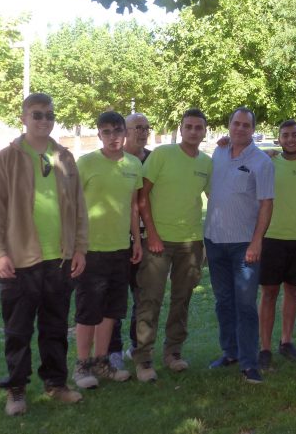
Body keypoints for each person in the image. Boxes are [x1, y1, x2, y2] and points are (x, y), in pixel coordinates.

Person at [0, 93, 87, 415]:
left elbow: (80, 210)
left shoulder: (65, 158)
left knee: (55, 328)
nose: (44, 120)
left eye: (49, 115)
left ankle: (56, 383)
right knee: (18, 331)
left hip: (59, 259)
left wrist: (80, 248)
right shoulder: (7, 158)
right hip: (19, 260)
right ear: (24, 118)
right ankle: (16, 389)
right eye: (37, 114)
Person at [133, 108, 211, 382]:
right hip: (158, 241)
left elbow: (215, 197)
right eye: (188, 126)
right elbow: (142, 198)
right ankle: (143, 358)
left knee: (182, 300)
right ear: (181, 129)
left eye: (198, 127)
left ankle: (173, 353)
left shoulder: (207, 162)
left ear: (204, 131)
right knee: (150, 299)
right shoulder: (163, 155)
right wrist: (151, 235)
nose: (193, 131)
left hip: (191, 243)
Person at [204, 107, 274, 384]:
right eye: (236, 123)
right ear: (229, 125)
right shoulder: (219, 152)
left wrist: (257, 240)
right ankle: (230, 352)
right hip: (214, 240)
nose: (240, 128)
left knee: (245, 305)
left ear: (253, 129)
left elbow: (267, 204)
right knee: (223, 302)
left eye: (246, 125)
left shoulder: (261, 162)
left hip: (245, 244)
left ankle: (249, 361)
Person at [73, 111, 142, 388]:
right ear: (99, 134)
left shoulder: (134, 164)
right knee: (88, 310)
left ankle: (101, 362)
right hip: (91, 250)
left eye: (118, 130)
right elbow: (73, 207)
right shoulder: (86, 163)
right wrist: (77, 247)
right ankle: (81, 366)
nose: (114, 137)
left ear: (125, 132)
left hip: (120, 250)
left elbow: (134, 207)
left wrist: (136, 241)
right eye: (107, 132)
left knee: (111, 311)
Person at [258, 120, 296, 370]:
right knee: (269, 293)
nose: (290, 139)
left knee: (293, 291)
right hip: (271, 238)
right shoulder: (268, 162)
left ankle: (286, 342)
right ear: (278, 139)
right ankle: (265, 348)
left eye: (295, 135)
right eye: (285, 135)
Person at [108, 112, 152, 369]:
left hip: (145, 240)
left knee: (142, 296)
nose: (142, 132)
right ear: (124, 131)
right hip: (114, 240)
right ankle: (112, 351)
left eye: (146, 127)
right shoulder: (114, 160)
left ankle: (136, 347)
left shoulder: (155, 159)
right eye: (137, 127)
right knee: (114, 298)